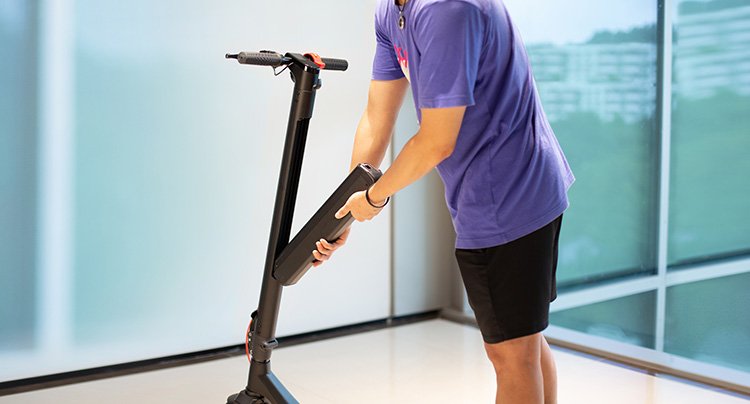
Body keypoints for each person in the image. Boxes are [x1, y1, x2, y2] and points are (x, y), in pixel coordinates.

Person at [312, 0, 574, 402]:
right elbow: (377, 115)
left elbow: (436, 141)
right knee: (523, 343)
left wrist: (374, 198)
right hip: (495, 191)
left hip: (509, 192)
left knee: (512, 355)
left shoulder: (447, 7)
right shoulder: (391, 11)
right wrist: (344, 212)